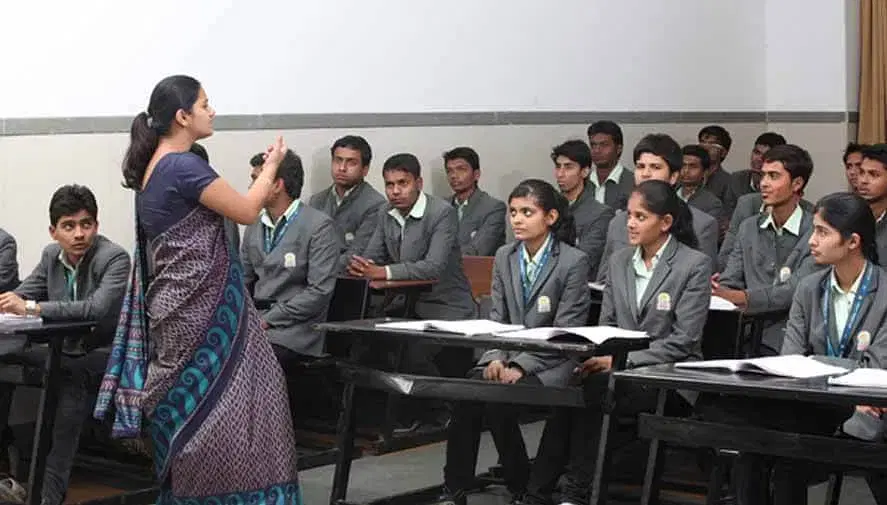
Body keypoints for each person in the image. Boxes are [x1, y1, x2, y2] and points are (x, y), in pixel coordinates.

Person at [94, 75, 302, 503]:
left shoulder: (153, 168)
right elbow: (246, 211)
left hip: (177, 309)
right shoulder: (182, 166)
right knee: (234, 415)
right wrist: (271, 168)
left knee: (200, 415)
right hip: (204, 318)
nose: (212, 111)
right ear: (182, 116)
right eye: (206, 105)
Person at [524, 180, 712, 505]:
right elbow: (608, 325)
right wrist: (605, 360)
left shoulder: (692, 264)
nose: (630, 223)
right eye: (629, 215)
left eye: (641, 217)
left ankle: (575, 493)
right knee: (573, 391)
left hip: (670, 375)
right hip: (618, 371)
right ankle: (538, 494)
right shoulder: (619, 260)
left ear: (665, 222)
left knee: (596, 393)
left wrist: (620, 364)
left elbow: (683, 341)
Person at [700, 193, 887, 505]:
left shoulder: (883, 292)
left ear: (853, 241)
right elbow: (791, 361)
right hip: (810, 406)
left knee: (787, 457)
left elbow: (876, 368)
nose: (811, 241)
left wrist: (817, 364)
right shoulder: (809, 288)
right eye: (813, 230)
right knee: (754, 448)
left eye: (822, 232)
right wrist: (821, 369)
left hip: (864, 408)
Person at [433, 179, 591, 505]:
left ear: (550, 217)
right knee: (468, 390)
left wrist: (520, 364)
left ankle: (522, 483)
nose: (517, 219)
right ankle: (455, 488)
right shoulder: (505, 255)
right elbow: (498, 320)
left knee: (498, 396)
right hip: (505, 355)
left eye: (527, 212)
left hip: (553, 362)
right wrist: (495, 356)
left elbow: (567, 330)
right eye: (513, 212)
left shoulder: (572, 261)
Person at [0, 185, 129, 505]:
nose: (79, 234)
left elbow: (95, 309)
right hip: (64, 349)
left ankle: (48, 495)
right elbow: (23, 294)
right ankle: (15, 477)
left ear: (96, 227)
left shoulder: (114, 258)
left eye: (86, 224)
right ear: (53, 231)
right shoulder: (50, 256)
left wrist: (31, 308)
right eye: (68, 226)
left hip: (104, 353)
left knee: (68, 377)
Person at [714, 144, 820, 356]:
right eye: (763, 176)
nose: (764, 183)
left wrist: (741, 297)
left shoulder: (815, 231)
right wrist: (719, 291)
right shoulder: (749, 227)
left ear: (797, 183)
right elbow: (730, 277)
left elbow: (794, 290)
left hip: (792, 337)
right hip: (744, 335)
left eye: (774, 176)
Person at [597, 134, 718, 282]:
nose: (645, 174)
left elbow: (701, 283)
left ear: (673, 176)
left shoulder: (701, 225)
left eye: (655, 167)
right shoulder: (618, 223)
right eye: (640, 166)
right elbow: (604, 279)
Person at [308, 135, 387, 270]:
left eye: (351, 162)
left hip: (349, 280)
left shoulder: (375, 205)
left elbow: (357, 256)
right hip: (315, 276)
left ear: (365, 169)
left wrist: (317, 268)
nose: (342, 168)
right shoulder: (317, 201)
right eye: (338, 160)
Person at [552, 140, 614, 280]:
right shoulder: (548, 208)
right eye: (558, 167)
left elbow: (585, 259)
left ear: (585, 171)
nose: (560, 174)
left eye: (568, 167)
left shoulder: (601, 214)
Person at [443, 146, 506, 256]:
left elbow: (476, 250)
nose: (454, 176)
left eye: (461, 169)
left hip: (478, 271)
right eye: (449, 171)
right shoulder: (441, 207)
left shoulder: (493, 208)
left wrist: (437, 257)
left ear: (476, 174)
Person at [586, 121, 634, 210]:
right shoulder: (582, 183)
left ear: (619, 149)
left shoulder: (634, 184)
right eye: (593, 145)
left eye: (604, 145)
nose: (597, 150)